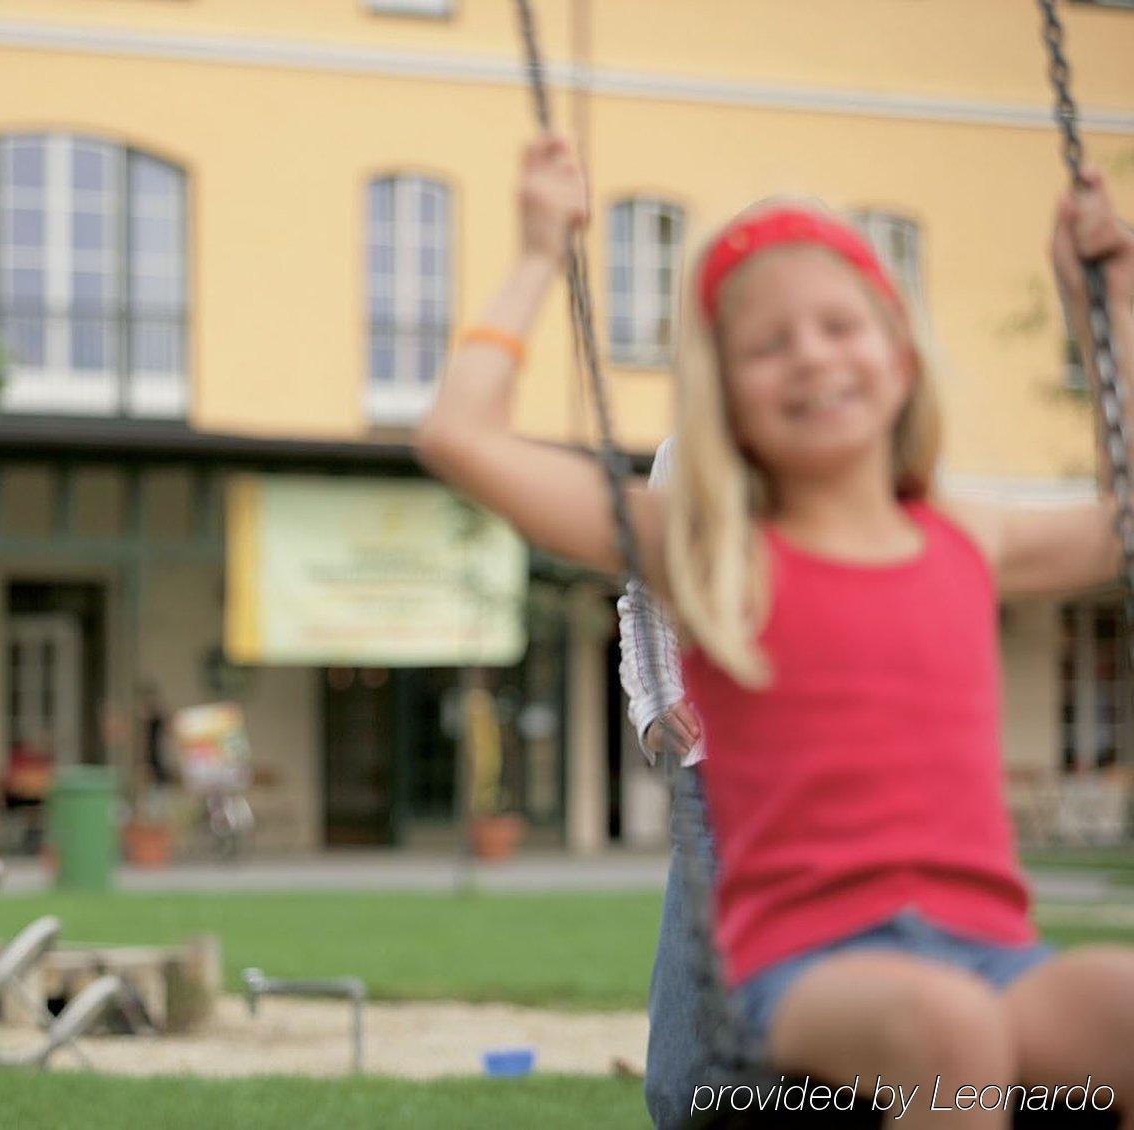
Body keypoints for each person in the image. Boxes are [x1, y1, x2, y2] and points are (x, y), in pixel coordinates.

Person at [417, 133, 1134, 1124]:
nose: (812, 355)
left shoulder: (964, 531)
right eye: (769, 342)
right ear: (726, 398)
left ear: (900, 352)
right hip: (804, 967)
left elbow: (1122, 519)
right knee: (954, 1031)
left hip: (987, 946)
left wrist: (1107, 311)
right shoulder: (715, 541)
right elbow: (460, 438)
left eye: (841, 325)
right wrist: (540, 253)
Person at [616, 434, 714, 1130]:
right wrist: (654, 703)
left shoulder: (877, 445)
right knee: (680, 1080)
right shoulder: (689, 448)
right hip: (721, 792)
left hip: (854, 796)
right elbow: (645, 596)